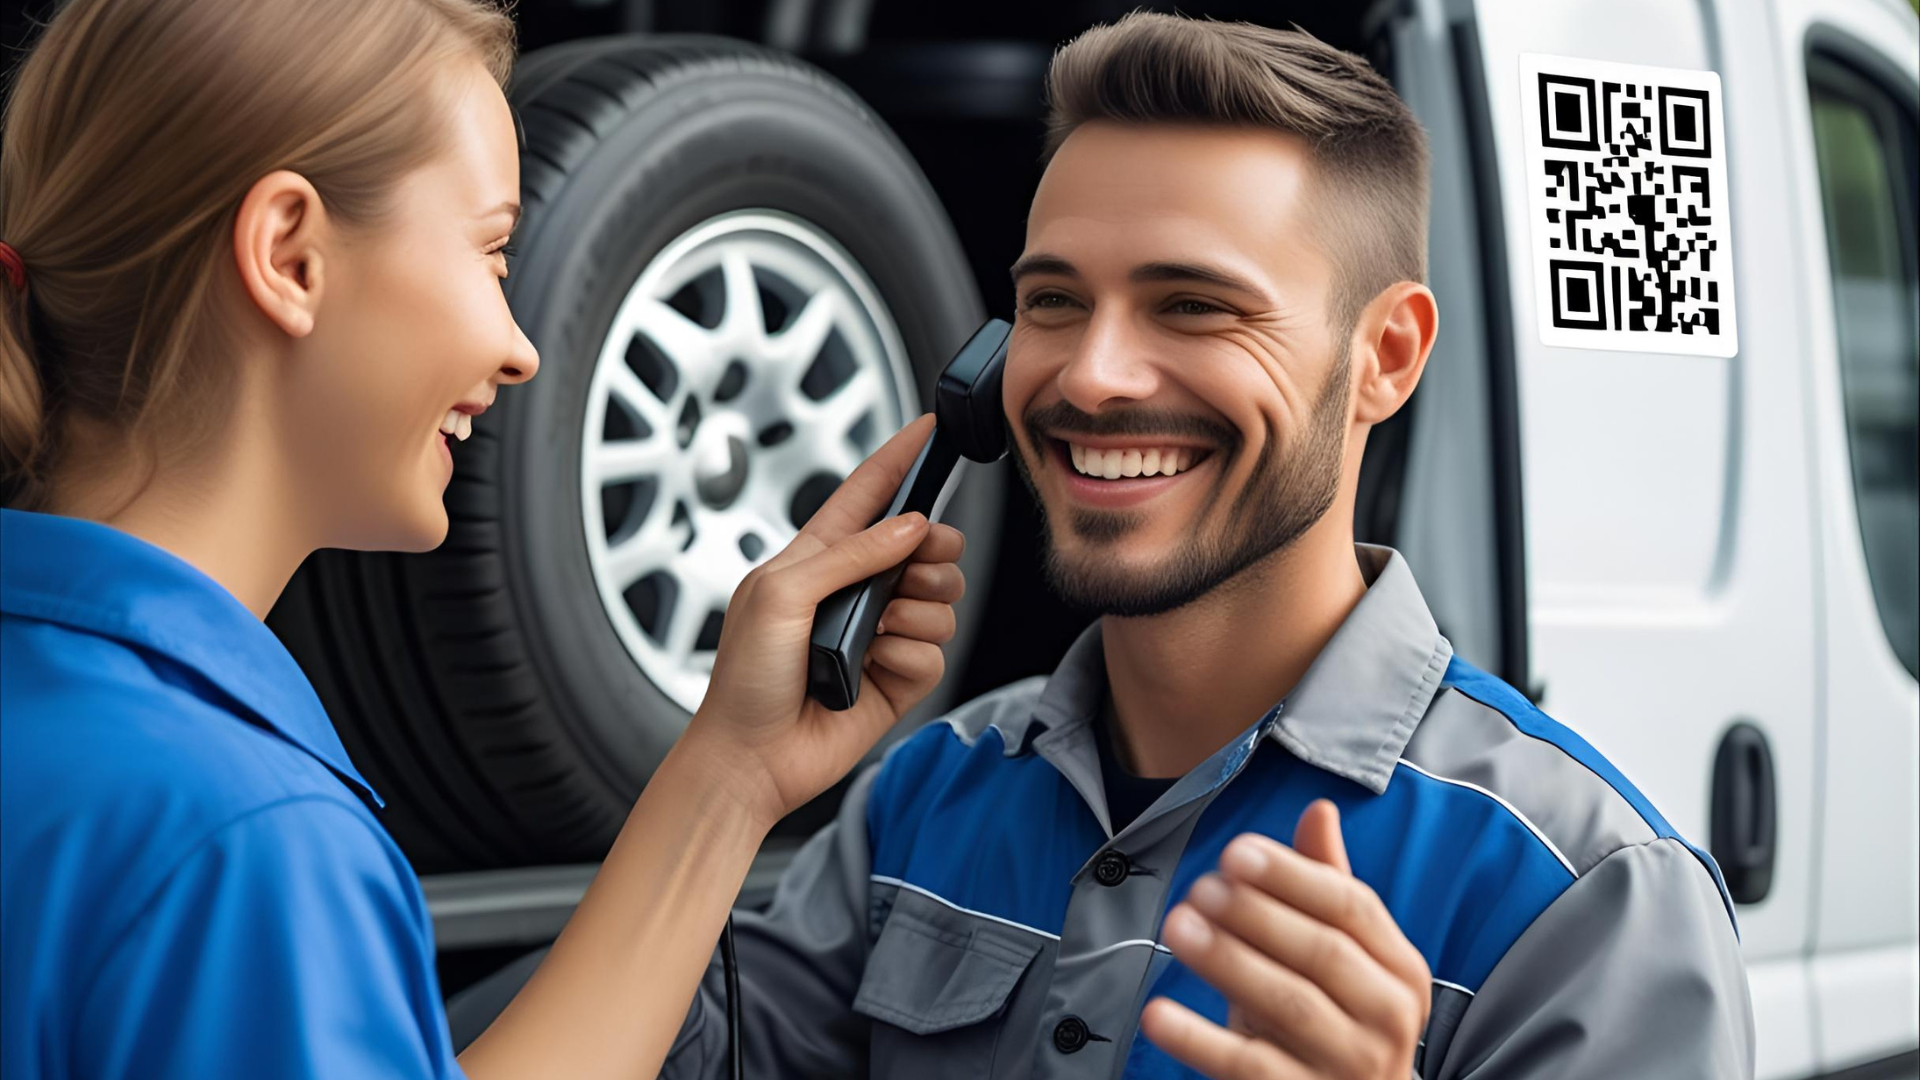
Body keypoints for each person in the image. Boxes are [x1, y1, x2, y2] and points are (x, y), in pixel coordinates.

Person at [648, 12, 1756, 1080]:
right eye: (1053, 302)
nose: (1090, 375)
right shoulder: (929, 794)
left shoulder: (1589, 901)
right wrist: (727, 773)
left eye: (1193, 306)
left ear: (1387, 356)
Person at [0, 1, 968, 1078]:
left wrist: (732, 777)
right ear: (289, 256)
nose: (520, 352)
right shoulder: (241, 843)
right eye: (495, 254)